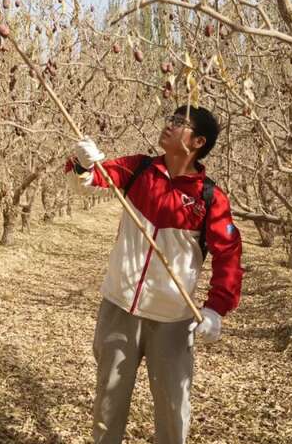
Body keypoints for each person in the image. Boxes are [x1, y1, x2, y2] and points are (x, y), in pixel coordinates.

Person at [66, 105, 244, 444]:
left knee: (173, 411)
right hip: (119, 307)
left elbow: (229, 254)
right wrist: (84, 163)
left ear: (198, 141)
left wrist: (215, 308)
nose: (169, 125)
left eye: (180, 123)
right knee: (107, 407)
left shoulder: (209, 198)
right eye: (170, 118)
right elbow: (89, 182)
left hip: (173, 321)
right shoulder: (139, 169)